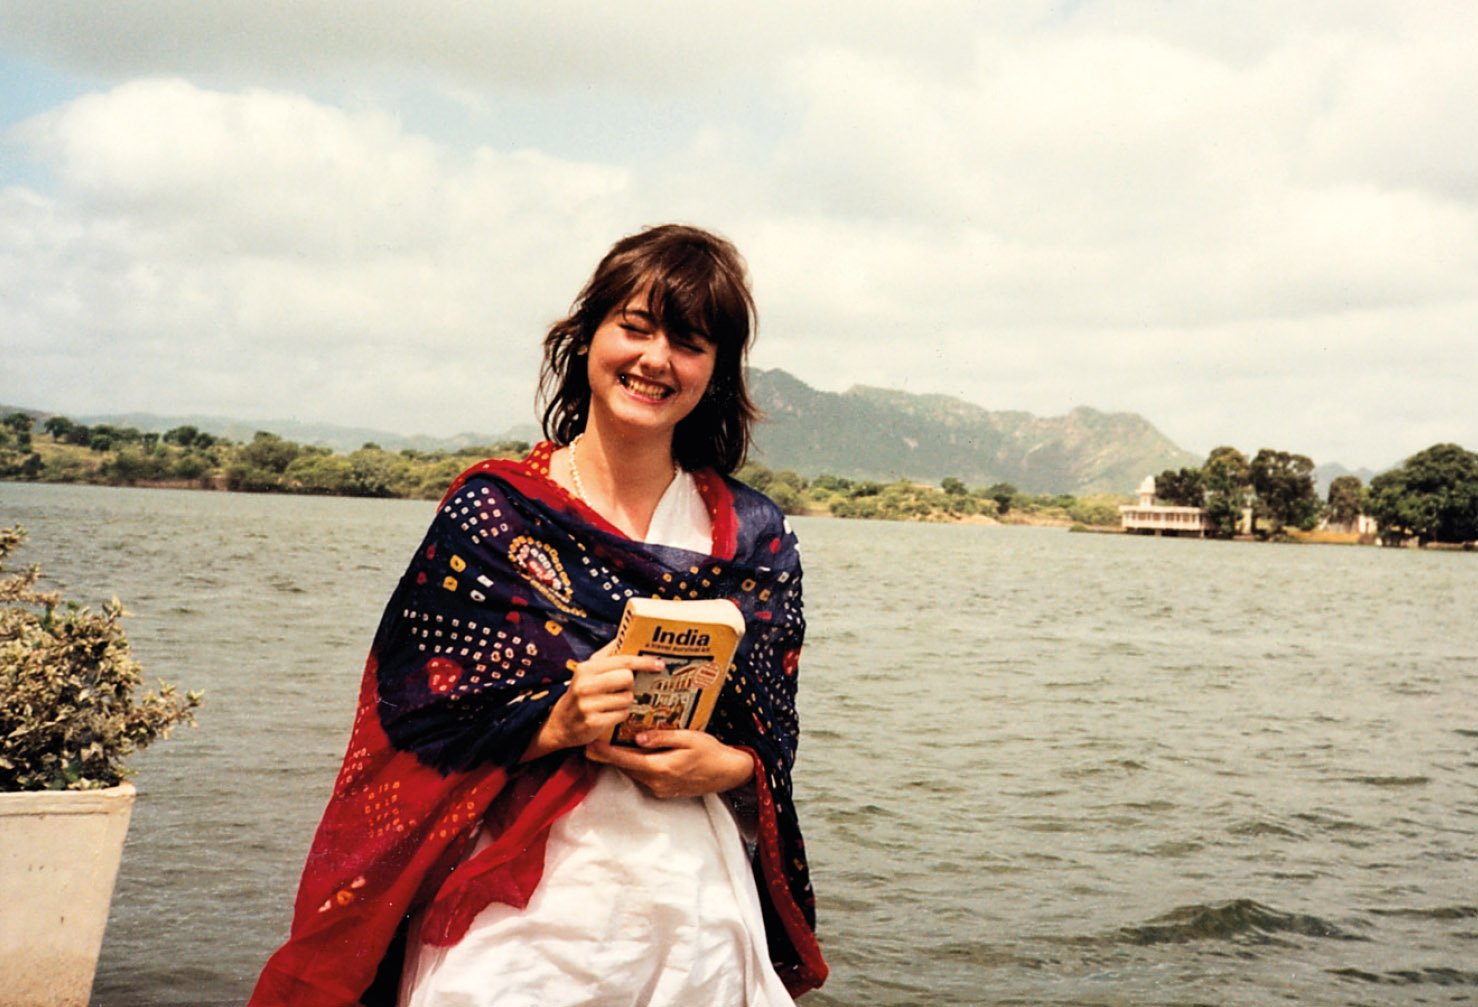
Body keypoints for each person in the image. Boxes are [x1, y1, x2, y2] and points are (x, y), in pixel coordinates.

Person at [251, 224, 827, 1007]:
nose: (656, 359)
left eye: (688, 342)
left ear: (715, 372)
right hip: (520, 915)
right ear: (586, 334)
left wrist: (727, 767)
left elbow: (773, 739)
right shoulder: (495, 515)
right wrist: (557, 719)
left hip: (696, 910)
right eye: (635, 326)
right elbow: (409, 718)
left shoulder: (757, 539)